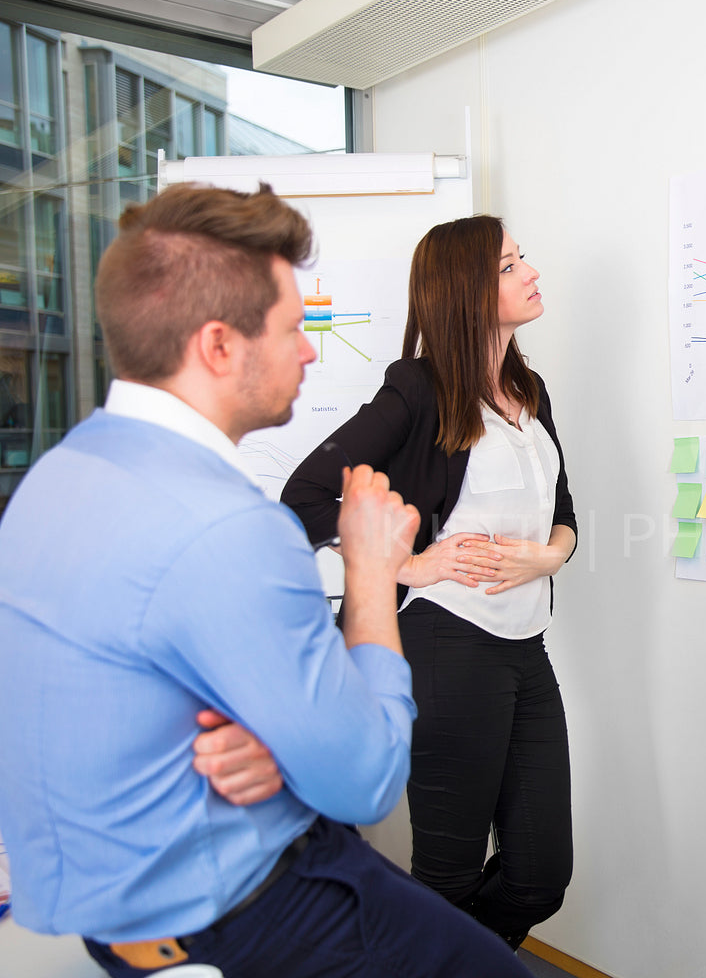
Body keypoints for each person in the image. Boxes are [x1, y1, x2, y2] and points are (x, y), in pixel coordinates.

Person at [0, 183, 534, 978]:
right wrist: (370, 566)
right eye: (294, 329)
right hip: (247, 909)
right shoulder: (231, 527)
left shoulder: (58, 475)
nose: (311, 350)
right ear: (219, 346)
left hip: (115, 917)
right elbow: (366, 780)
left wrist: (283, 741)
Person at [283, 214, 577, 950]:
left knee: (540, 876)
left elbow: (564, 512)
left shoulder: (528, 388)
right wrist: (410, 564)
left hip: (525, 648)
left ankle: (432, 964)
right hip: (447, 646)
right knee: (446, 874)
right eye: (510, 266)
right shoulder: (418, 389)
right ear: (466, 292)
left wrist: (550, 555)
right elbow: (307, 496)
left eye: (522, 260)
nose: (531, 273)